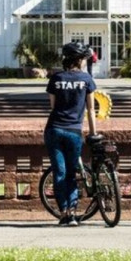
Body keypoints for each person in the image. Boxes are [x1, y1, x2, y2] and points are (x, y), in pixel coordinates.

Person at [44, 40, 98, 226]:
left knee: (59, 172)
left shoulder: (56, 78)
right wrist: (93, 133)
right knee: (71, 172)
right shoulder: (86, 79)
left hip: (54, 129)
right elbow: (91, 110)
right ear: (79, 60)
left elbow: (52, 106)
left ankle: (63, 212)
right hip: (74, 130)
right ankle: (73, 214)